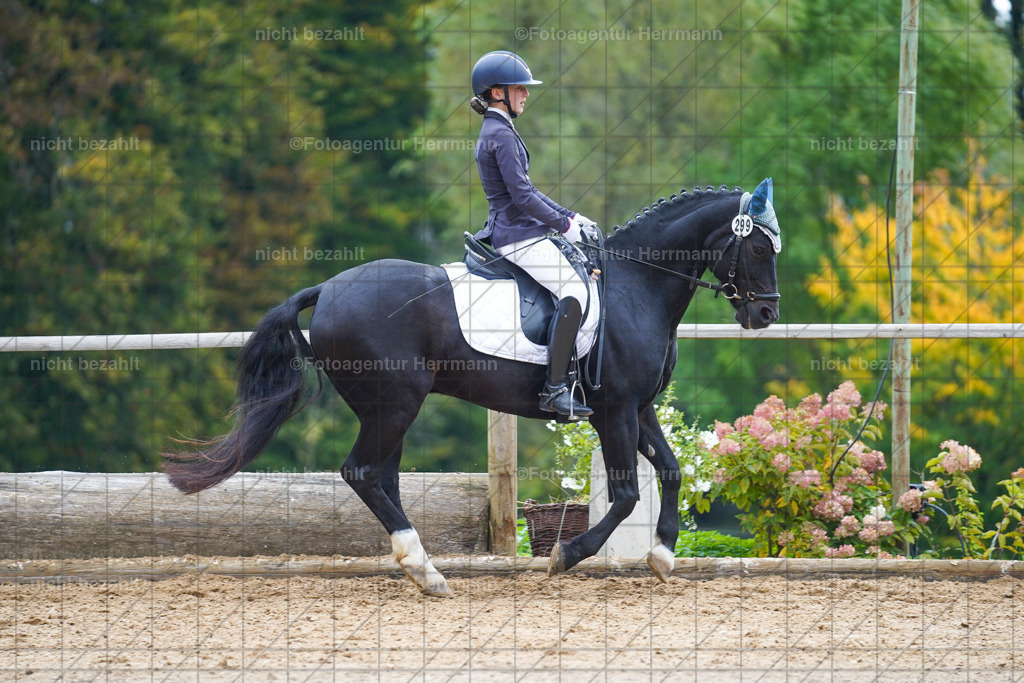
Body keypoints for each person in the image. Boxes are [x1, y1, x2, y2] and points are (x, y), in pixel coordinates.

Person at [469, 50, 599, 419]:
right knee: (575, 291)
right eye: (519, 88)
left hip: (520, 229)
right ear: (497, 93)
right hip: (518, 235)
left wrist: (570, 215)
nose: (526, 94)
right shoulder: (500, 134)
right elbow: (522, 197)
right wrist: (564, 227)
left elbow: (528, 188)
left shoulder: (499, 129)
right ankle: (555, 388)